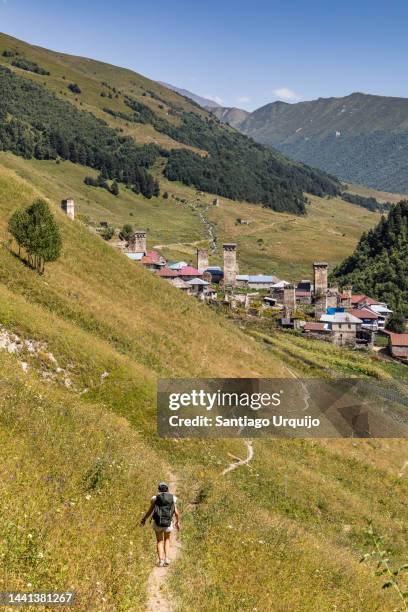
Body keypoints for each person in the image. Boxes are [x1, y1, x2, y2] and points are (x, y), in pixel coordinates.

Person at [140, 482, 180, 567]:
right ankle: (167, 559)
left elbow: (150, 511)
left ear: (159, 489)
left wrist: (144, 519)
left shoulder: (155, 498)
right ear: (167, 489)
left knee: (159, 541)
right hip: (168, 523)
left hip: (157, 523)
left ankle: (161, 560)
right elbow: (176, 512)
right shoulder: (172, 498)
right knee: (167, 540)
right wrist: (177, 522)